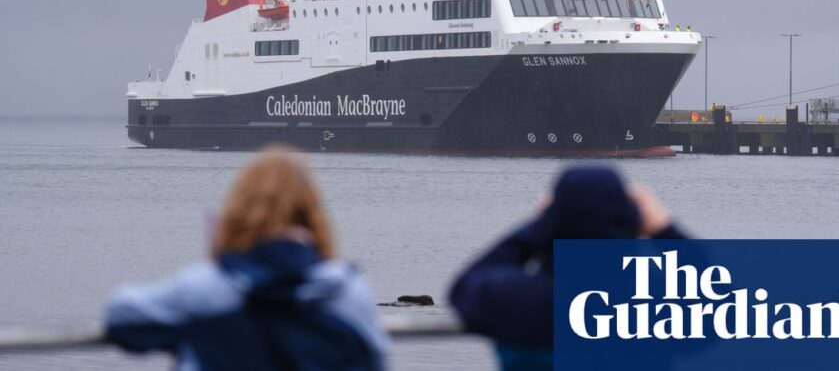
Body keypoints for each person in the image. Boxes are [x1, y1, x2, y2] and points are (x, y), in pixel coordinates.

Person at [105, 148, 388, 371]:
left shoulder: (206, 288)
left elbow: (122, 315)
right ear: (312, 211)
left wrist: (219, 263)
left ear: (238, 208)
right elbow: (375, 362)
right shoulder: (348, 291)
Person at [449, 166, 687, 371]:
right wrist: (663, 229)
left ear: (551, 220)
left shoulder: (513, 299)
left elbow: (464, 287)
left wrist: (545, 222)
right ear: (632, 220)